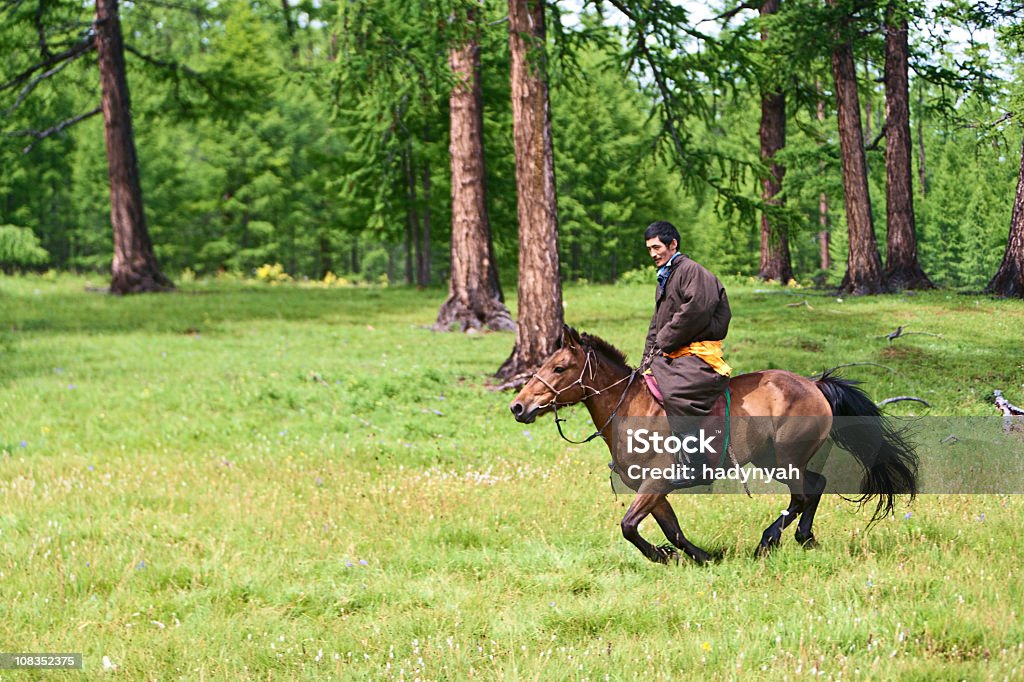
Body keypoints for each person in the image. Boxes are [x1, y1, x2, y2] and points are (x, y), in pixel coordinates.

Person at [642, 221, 732, 486]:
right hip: (676, 351)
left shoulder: (693, 272)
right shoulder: (666, 277)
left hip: (700, 356)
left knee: (674, 390)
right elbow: (656, 323)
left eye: (657, 247)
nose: (653, 254)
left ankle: (695, 465)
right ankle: (640, 454)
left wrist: (663, 342)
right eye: (649, 249)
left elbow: (694, 312)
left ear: (673, 245)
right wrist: (646, 360)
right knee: (642, 385)